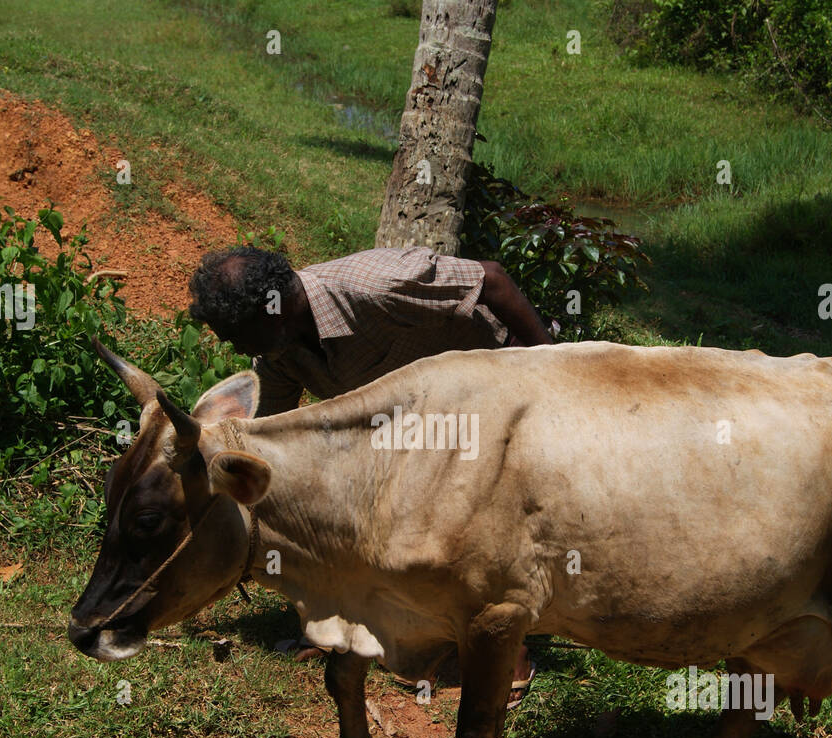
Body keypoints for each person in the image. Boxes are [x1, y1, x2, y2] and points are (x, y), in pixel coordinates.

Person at [188, 245, 556, 706]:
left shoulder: (377, 285)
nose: (237, 349)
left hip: (497, 395)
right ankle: (408, 631)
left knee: (466, 529)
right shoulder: (280, 349)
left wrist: (555, 375)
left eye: (238, 335)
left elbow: (495, 279)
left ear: (273, 312)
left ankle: (507, 654)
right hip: (413, 427)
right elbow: (269, 439)